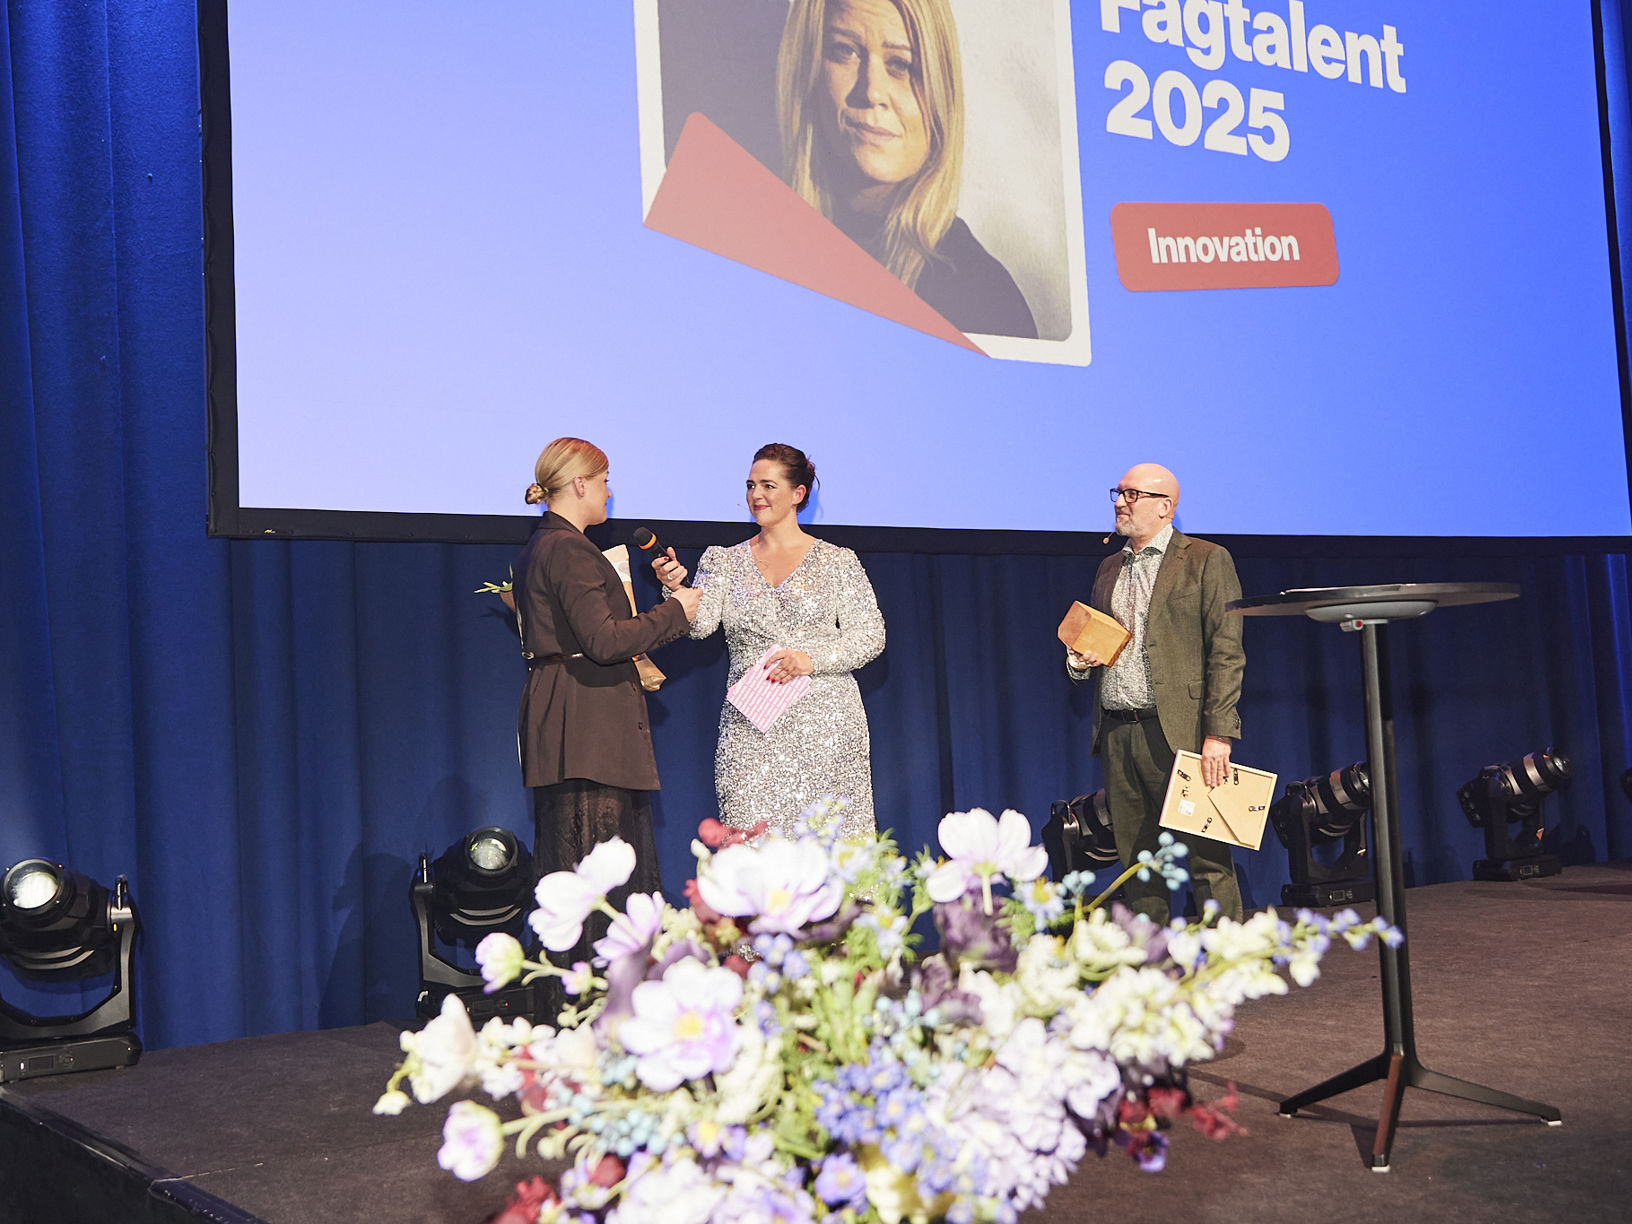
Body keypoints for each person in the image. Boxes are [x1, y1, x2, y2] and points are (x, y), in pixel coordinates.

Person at [513, 438, 701, 954]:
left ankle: (584, 991)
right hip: (587, 720)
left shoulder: (546, 545)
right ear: (579, 484)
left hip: (569, 714)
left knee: (577, 868)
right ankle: (601, 993)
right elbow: (603, 641)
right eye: (603, 481)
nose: (608, 492)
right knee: (600, 874)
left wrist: (666, 598)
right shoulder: (568, 548)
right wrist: (676, 610)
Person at [652, 443, 884, 839]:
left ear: (798, 494)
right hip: (752, 727)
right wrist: (676, 590)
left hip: (827, 728)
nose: (756, 495)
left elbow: (871, 635)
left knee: (830, 849)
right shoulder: (723, 560)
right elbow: (700, 626)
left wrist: (809, 659)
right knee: (751, 846)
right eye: (750, 485)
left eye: (768, 486)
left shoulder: (838, 561)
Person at [775, 0, 1037, 339]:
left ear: (942, 94)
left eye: (901, 64)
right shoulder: (755, 241)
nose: (872, 91)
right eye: (845, 51)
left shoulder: (984, 302)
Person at [1066, 463, 1246, 925]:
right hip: (1118, 732)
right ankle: (1153, 957)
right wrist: (1081, 660)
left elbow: (1226, 651)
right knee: (1138, 863)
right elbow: (1104, 640)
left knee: (1207, 856)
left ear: (1165, 507)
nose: (1120, 503)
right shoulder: (1110, 566)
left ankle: (1230, 953)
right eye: (1118, 493)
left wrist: (1218, 734)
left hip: (1181, 732)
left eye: (1132, 494)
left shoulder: (1206, 559)